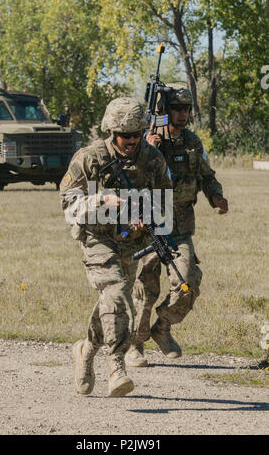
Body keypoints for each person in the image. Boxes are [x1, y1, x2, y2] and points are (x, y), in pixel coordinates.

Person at [60, 97, 172, 397]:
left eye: (137, 134)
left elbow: (164, 205)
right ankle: (116, 366)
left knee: (112, 300)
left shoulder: (153, 160)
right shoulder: (90, 158)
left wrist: (146, 221)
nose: (132, 141)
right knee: (118, 291)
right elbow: (68, 205)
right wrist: (101, 200)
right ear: (112, 132)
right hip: (96, 238)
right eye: (125, 135)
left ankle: (86, 349)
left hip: (129, 242)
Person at [125, 84, 228, 367]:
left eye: (186, 109)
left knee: (188, 282)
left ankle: (163, 327)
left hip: (180, 227)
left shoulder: (193, 142)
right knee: (145, 289)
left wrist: (216, 195)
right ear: (164, 110)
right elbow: (130, 176)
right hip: (149, 226)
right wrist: (148, 150)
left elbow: (207, 175)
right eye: (176, 108)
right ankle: (135, 344)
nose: (182, 114)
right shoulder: (147, 143)